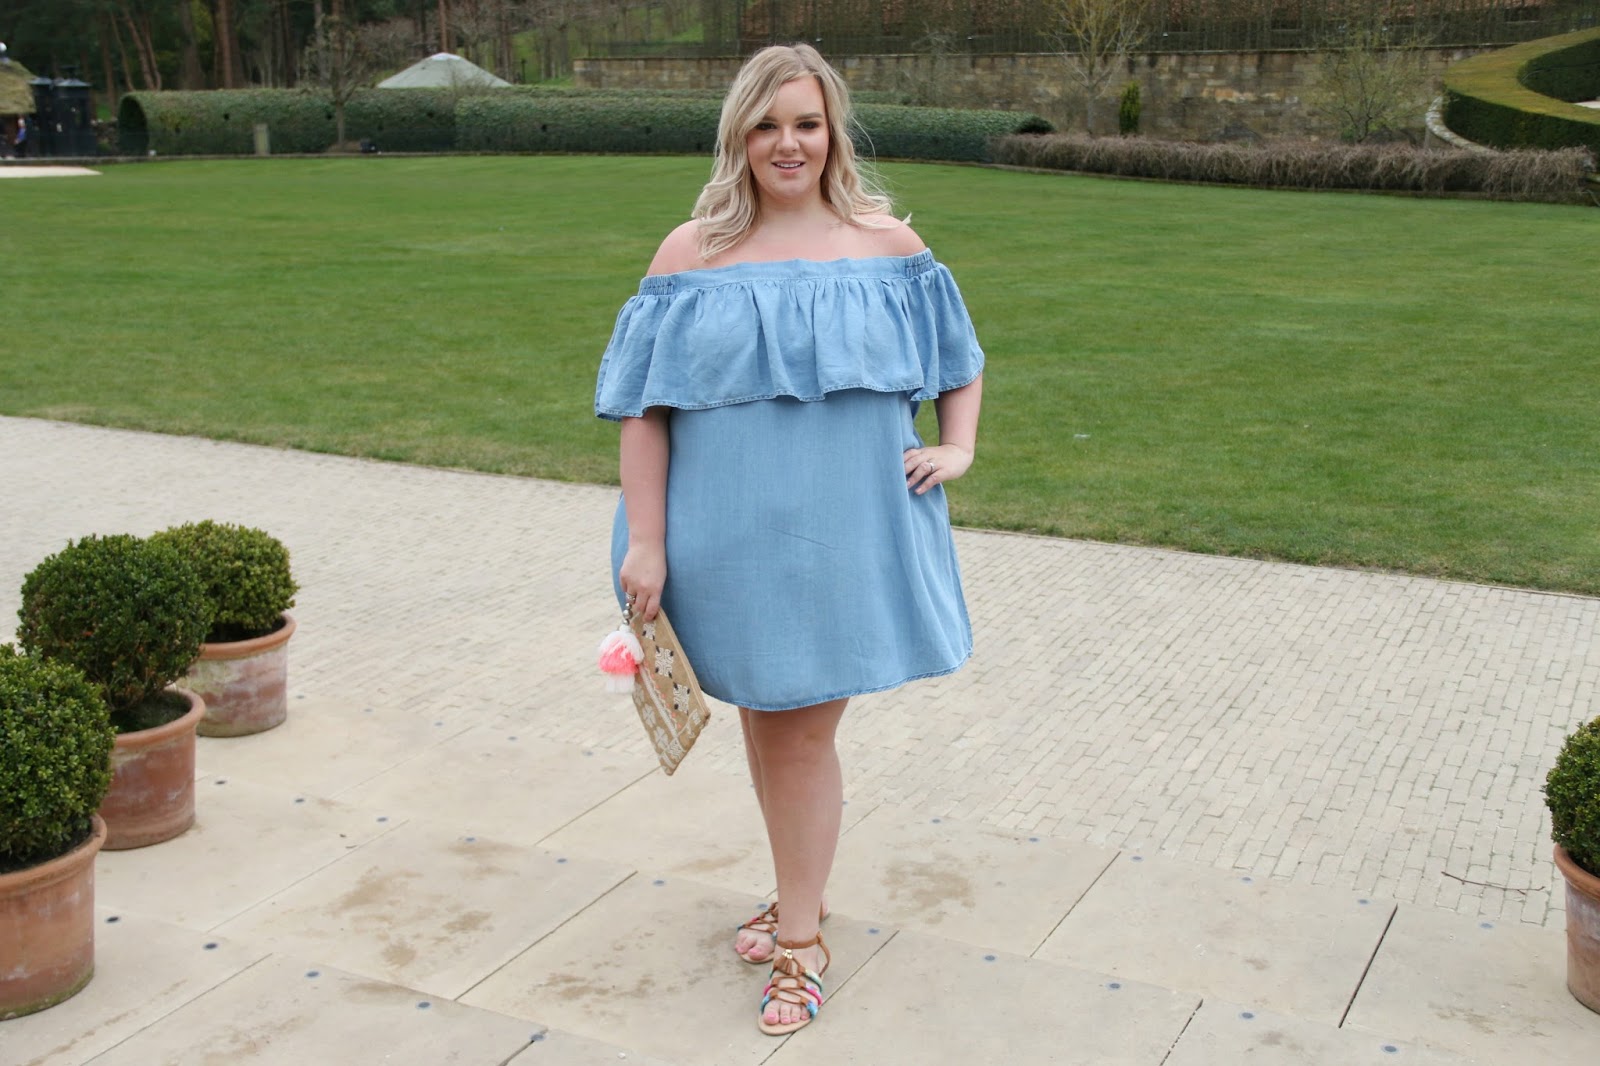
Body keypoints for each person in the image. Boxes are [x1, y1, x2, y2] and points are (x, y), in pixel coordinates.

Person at [595, 43, 984, 1036]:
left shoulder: (887, 245)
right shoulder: (689, 253)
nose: (787, 143)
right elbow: (643, 410)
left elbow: (959, 357)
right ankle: (794, 891)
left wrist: (958, 445)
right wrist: (647, 541)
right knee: (770, 725)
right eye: (766, 125)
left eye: (806, 123)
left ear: (832, 132)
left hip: (844, 539)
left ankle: (802, 940)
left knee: (800, 735)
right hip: (720, 542)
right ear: (739, 135)